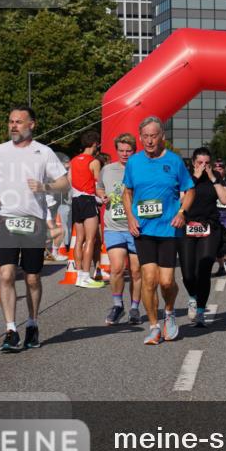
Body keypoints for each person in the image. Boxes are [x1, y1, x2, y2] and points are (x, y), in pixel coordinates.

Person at [0, 106, 69, 352]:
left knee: (32, 278)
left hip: (34, 223)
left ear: (32, 124)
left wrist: (45, 187)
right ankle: (10, 330)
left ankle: (32, 323)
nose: (13, 126)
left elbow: (64, 183)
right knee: (7, 274)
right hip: (6, 220)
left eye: (19, 122)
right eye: (11, 121)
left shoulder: (44, 152)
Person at [122, 116, 195, 345]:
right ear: (140, 137)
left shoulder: (174, 162)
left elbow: (190, 190)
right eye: (145, 136)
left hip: (168, 229)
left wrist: (182, 213)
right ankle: (154, 326)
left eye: (154, 136)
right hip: (143, 229)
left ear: (162, 136)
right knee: (149, 279)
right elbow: (127, 192)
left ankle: (170, 312)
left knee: (166, 281)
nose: (150, 141)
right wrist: (130, 217)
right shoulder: (134, 162)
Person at [179, 148, 226, 326]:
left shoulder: (216, 178)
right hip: (188, 227)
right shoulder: (186, 177)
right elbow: (181, 199)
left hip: (209, 227)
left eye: (207, 163)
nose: (204, 166)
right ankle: (193, 297)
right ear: (193, 162)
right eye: (200, 163)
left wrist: (214, 179)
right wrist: (194, 177)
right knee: (187, 274)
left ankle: (201, 310)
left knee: (203, 268)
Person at [97, 132, 144, 325]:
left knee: (136, 271)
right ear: (116, 151)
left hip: (136, 227)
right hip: (113, 227)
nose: (124, 154)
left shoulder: (141, 168)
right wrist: (102, 196)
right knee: (116, 268)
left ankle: (134, 308)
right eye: (121, 150)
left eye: (128, 151)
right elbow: (99, 187)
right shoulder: (107, 170)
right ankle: (117, 305)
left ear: (134, 151)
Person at [68, 130, 105, 288]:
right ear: (95, 144)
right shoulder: (94, 161)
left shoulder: (73, 161)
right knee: (91, 239)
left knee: (79, 240)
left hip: (75, 200)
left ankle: (78, 276)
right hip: (88, 200)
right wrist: (103, 197)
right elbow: (98, 184)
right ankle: (85, 275)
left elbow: (69, 181)